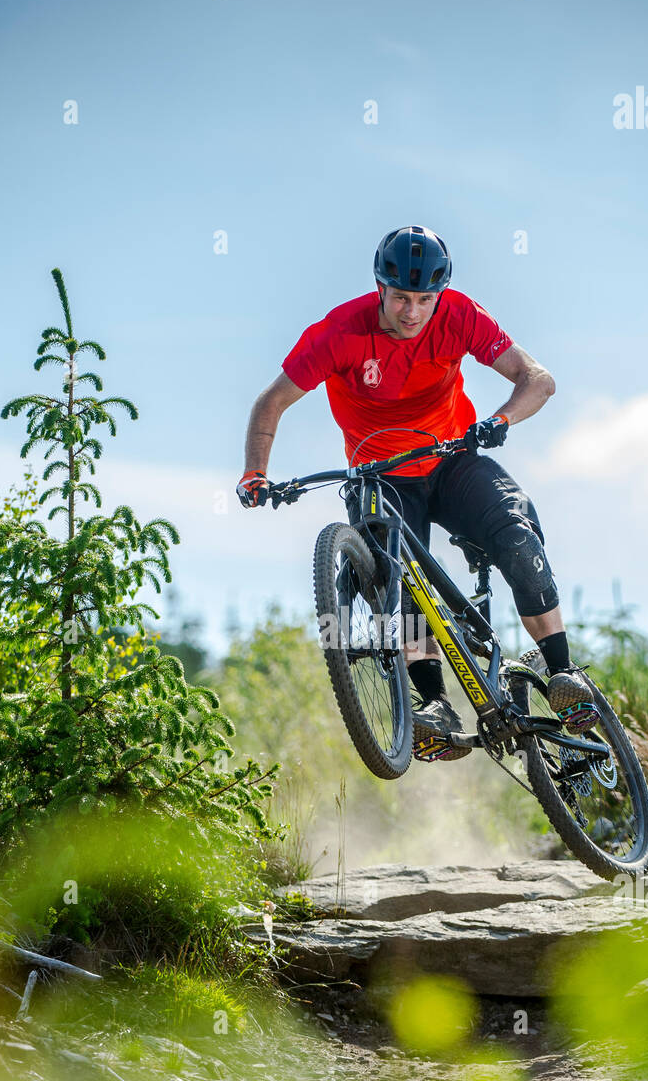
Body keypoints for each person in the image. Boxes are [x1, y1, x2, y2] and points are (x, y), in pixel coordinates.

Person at [237, 225, 597, 759]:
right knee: (392, 575)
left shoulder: (459, 316)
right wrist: (255, 473)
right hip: (379, 476)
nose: (412, 312)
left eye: (424, 299)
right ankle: (434, 704)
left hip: (452, 459)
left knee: (515, 534)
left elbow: (537, 380)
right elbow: (271, 402)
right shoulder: (338, 332)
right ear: (379, 288)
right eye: (401, 298)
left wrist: (501, 419)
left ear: (440, 295)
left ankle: (564, 672)